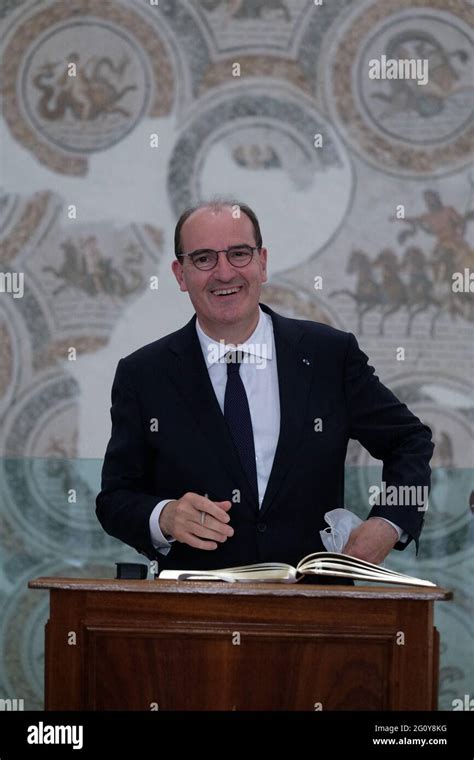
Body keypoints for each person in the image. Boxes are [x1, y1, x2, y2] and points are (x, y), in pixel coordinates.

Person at [96, 199, 433, 582]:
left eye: (239, 254)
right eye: (204, 258)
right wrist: (165, 517)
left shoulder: (328, 355)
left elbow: (410, 441)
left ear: (262, 262)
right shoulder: (143, 374)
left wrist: (388, 523)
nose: (224, 273)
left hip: (320, 613)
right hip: (194, 617)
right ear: (180, 273)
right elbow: (114, 500)